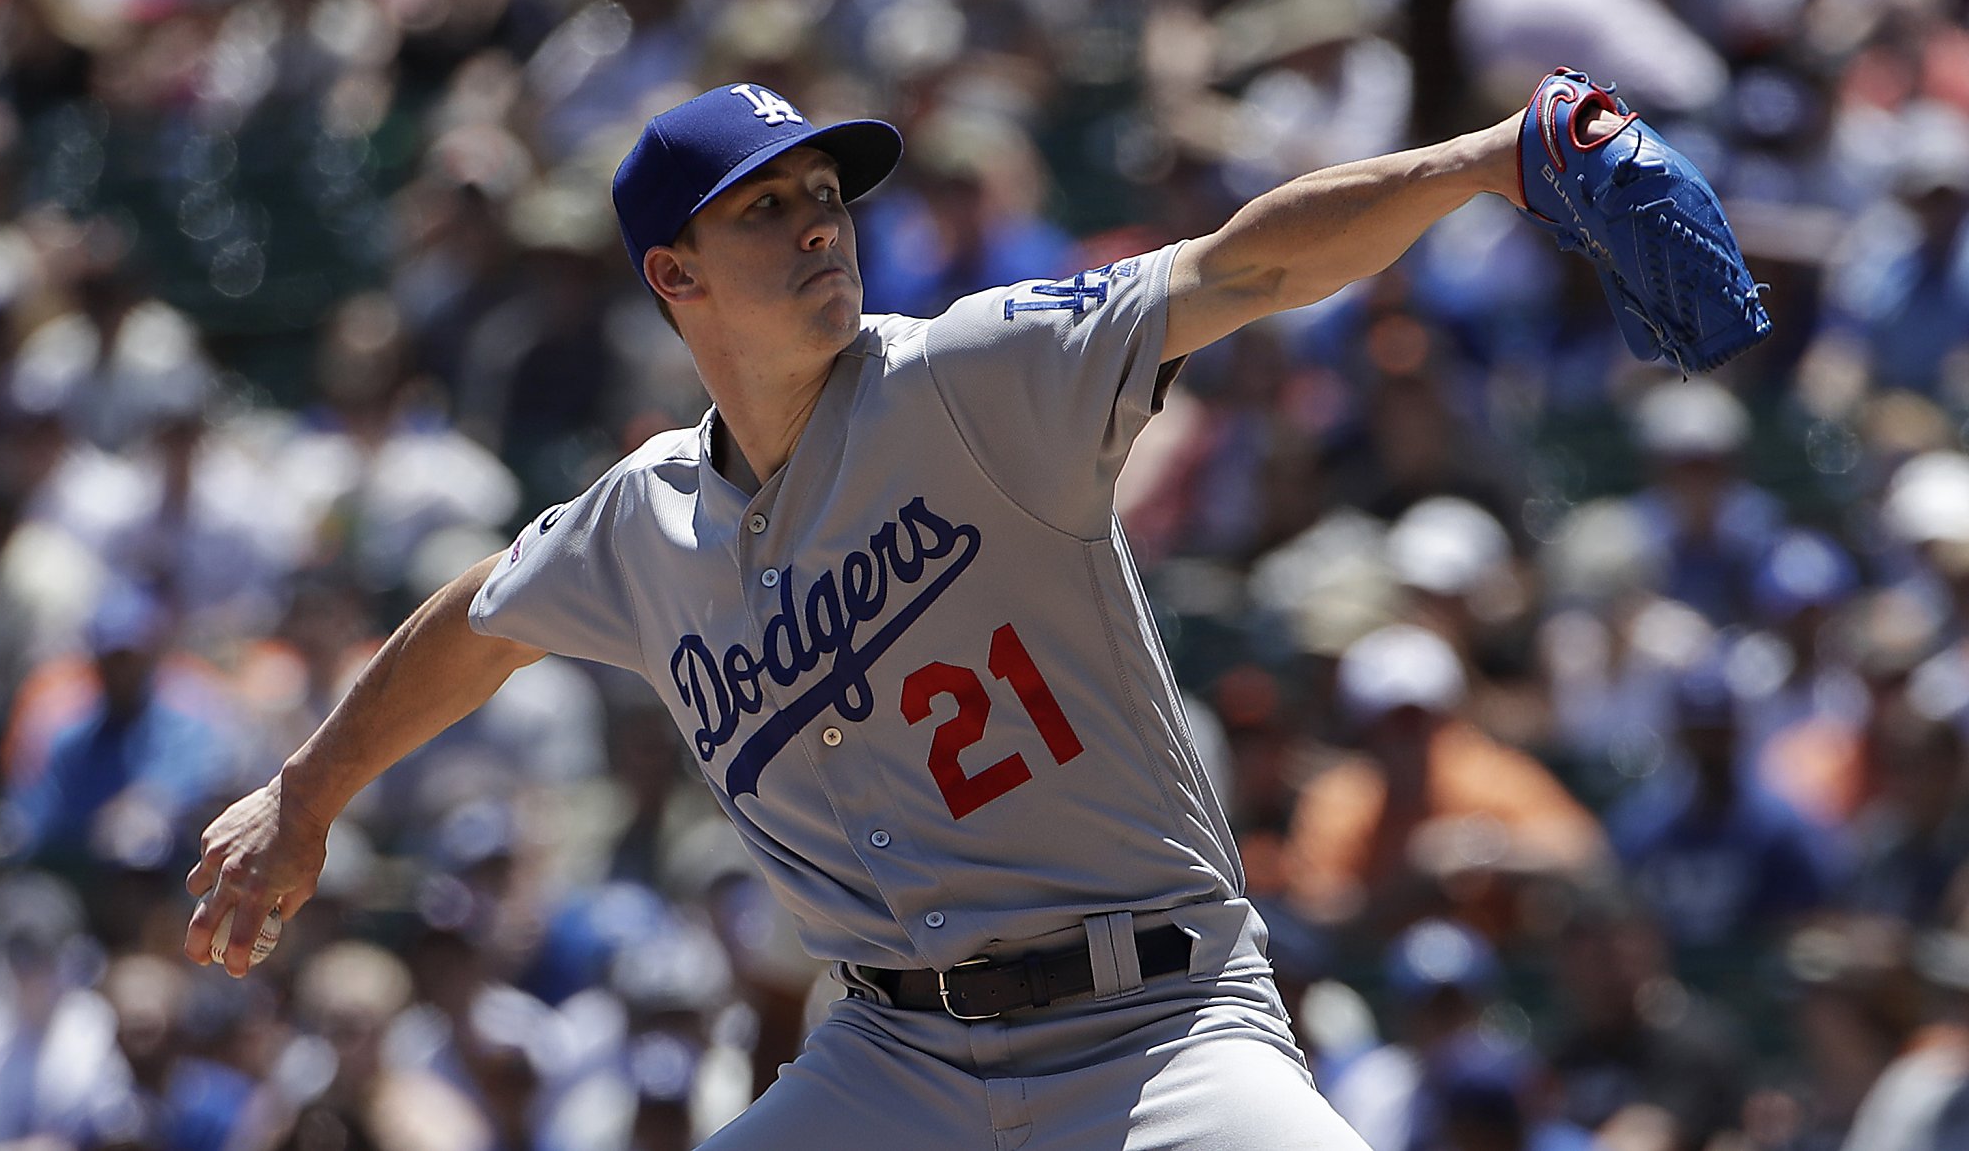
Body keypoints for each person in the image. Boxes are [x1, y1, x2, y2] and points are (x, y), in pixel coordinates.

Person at [185, 78, 1589, 1148]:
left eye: (823, 196)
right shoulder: (645, 518)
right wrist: (307, 795)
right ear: (673, 276)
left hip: (1160, 1026)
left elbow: (1240, 269)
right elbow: (479, 624)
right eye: (764, 209)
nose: (815, 225)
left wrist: (1484, 162)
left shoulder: (971, 380)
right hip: (893, 1062)